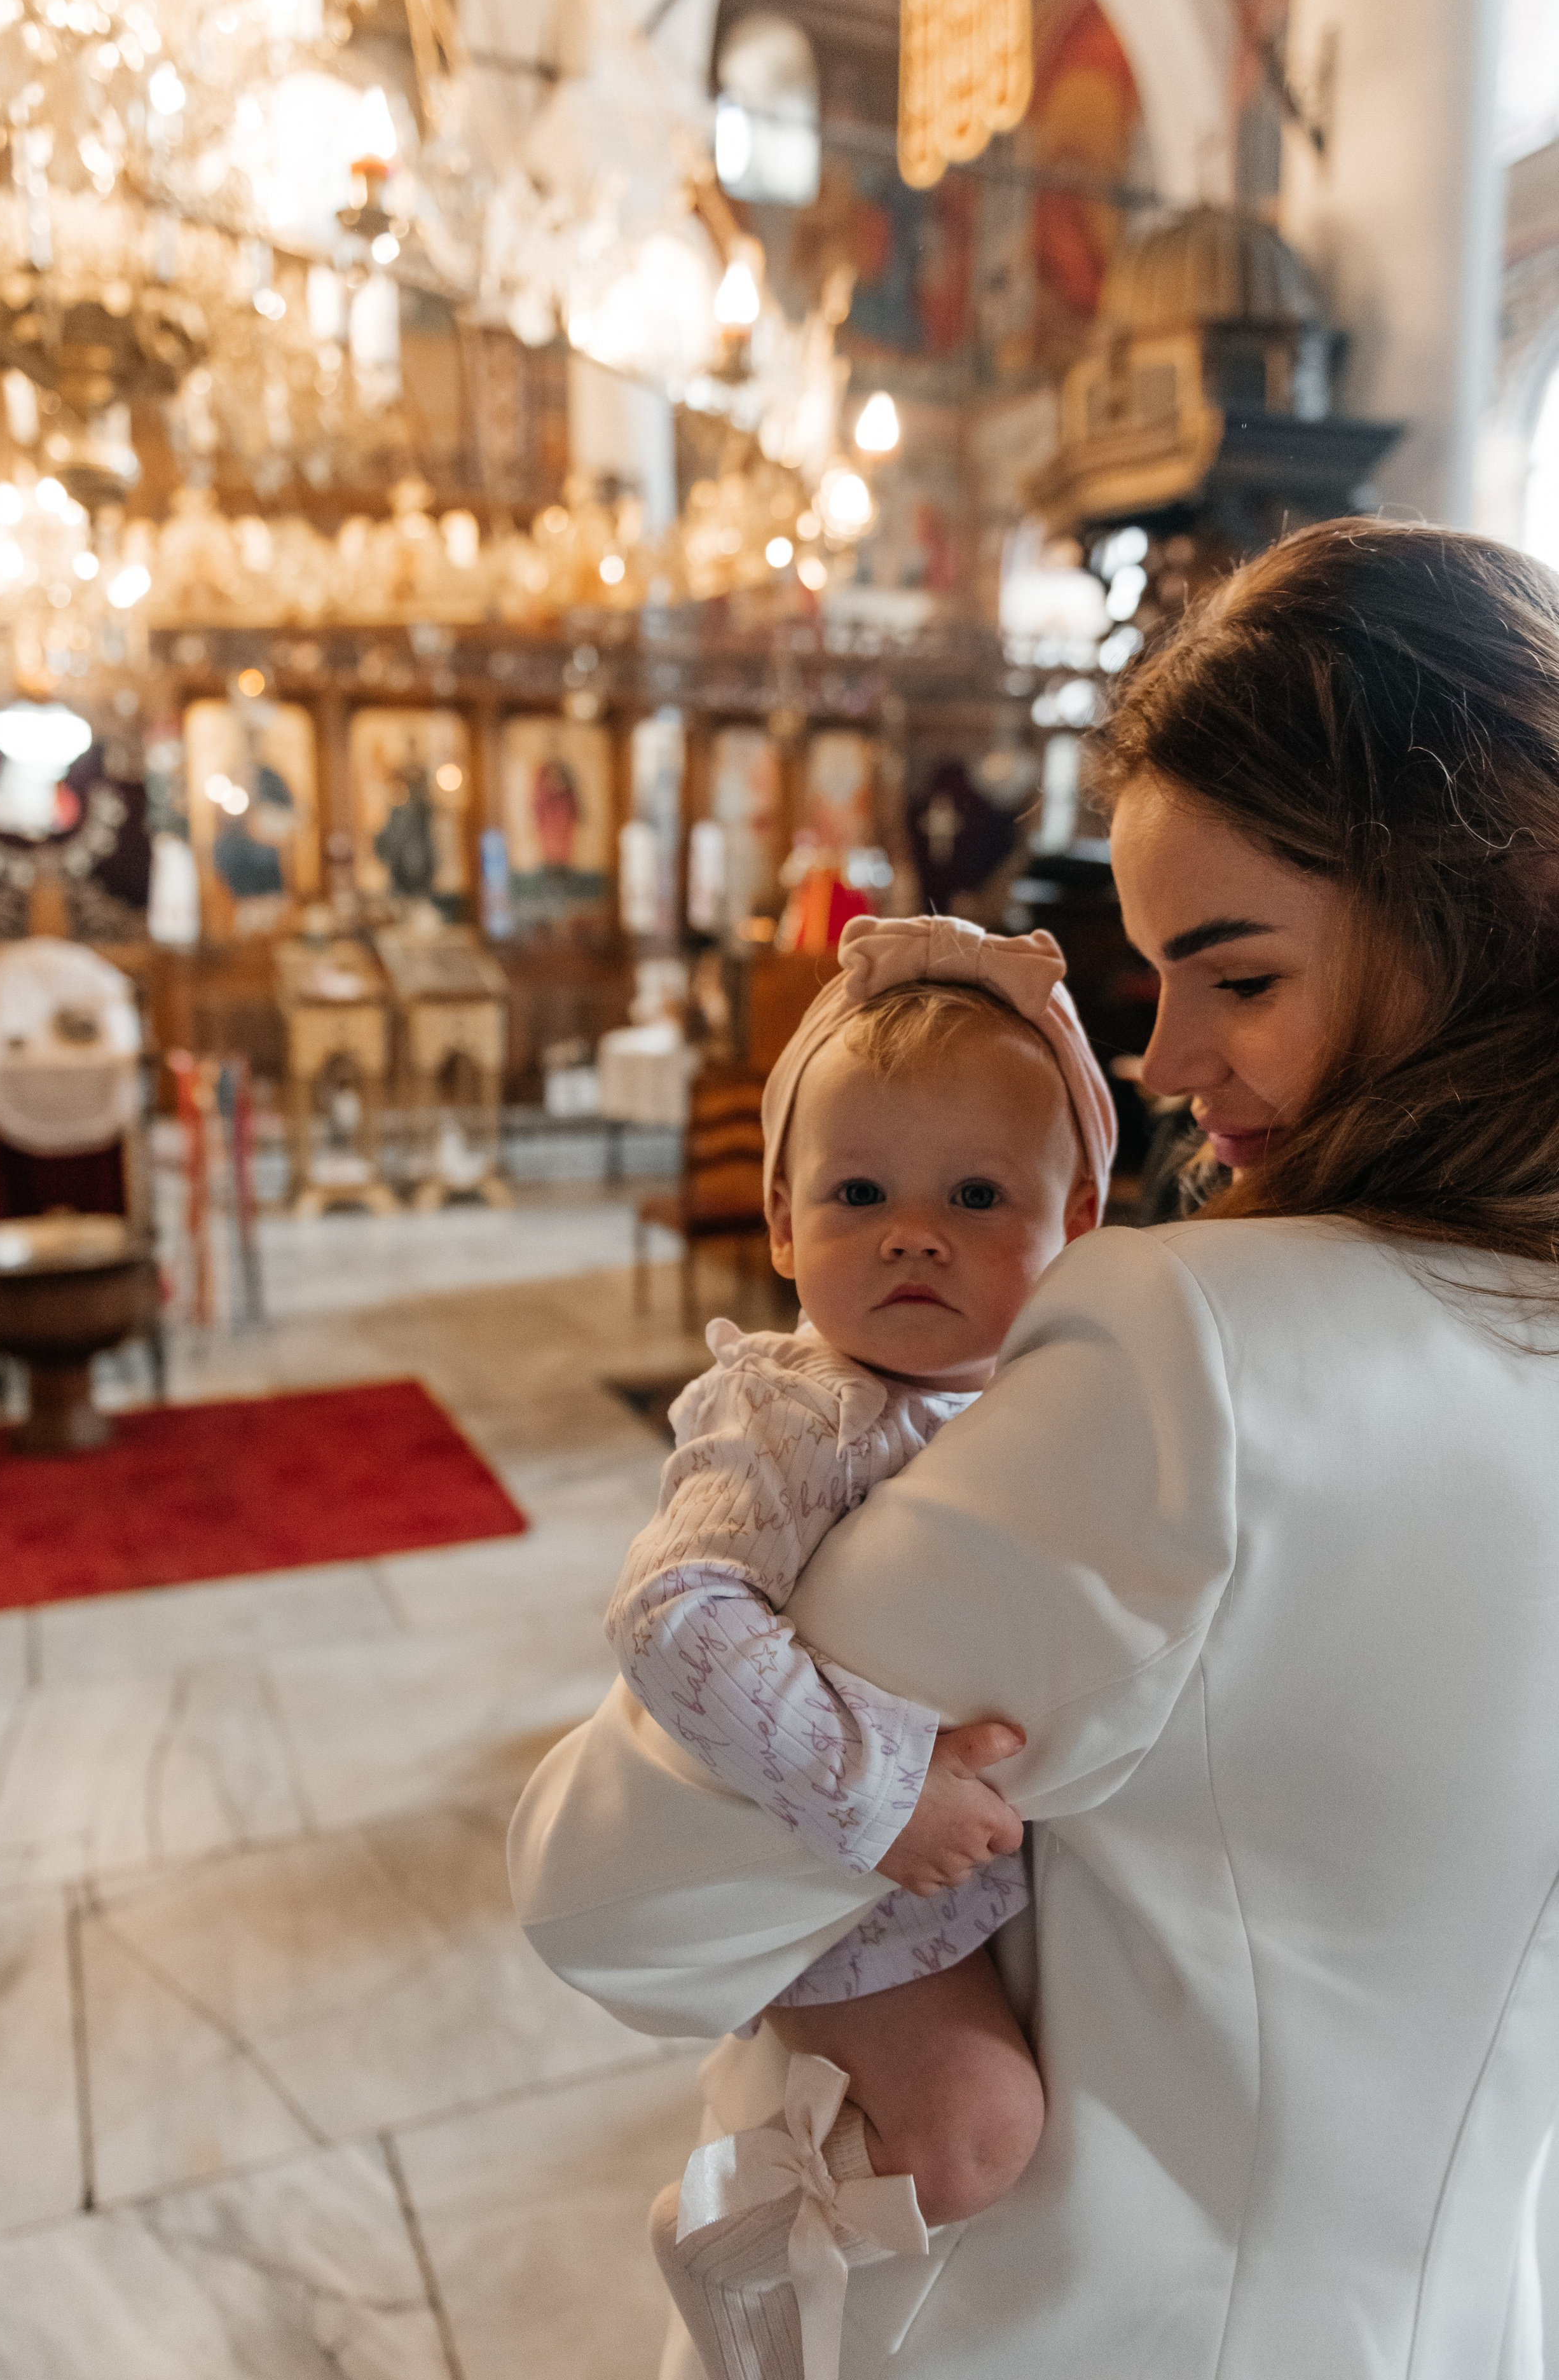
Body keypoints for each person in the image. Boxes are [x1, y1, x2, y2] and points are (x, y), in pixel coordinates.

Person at [510, 519, 1559, 2377]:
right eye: (1156, 981)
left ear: (1466, 914)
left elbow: (614, 1882)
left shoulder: (1201, 1357)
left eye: (1238, 977)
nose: (1166, 1063)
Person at [605, 915, 1116, 2378]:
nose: (911, 1231)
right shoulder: (789, 1413)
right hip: (849, 1880)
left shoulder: (1036, 1398)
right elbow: (671, 1615)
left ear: (1072, 1222)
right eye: (856, 1191)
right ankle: (744, 2247)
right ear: (777, 1224)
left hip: (995, 1861)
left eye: (972, 1193)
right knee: (975, 2133)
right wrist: (880, 1791)